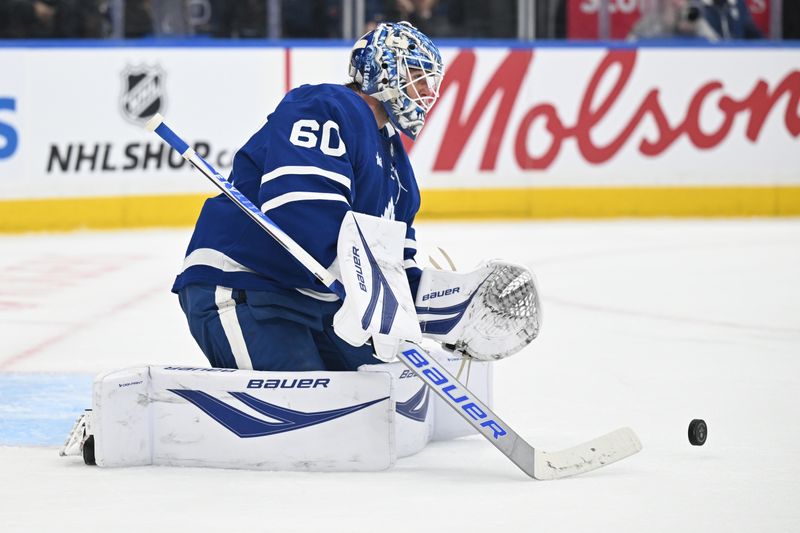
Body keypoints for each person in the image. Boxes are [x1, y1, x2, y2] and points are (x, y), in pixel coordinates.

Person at [173, 21, 443, 373]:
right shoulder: (327, 106)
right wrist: (367, 296)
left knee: (372, 398)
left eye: (430, 82)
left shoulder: (397, 168)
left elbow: (394, 266)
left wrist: (447, 305)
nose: (426, 91)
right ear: (384, 70)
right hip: (245, 284)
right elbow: (303, 211)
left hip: (312, 300)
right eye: (417, 76)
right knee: (301, 408)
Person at [628, 0, 719, 41]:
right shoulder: (648, 25)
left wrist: (693, 32)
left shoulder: (697, 24)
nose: (678, 3)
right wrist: (668, 24)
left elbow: (718, 48)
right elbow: (628, 48)